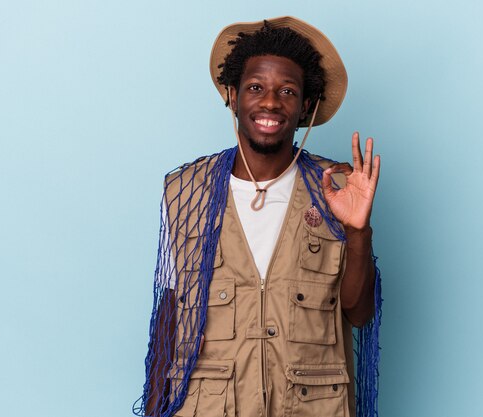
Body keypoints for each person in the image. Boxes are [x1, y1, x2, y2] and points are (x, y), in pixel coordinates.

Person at [134, 16, 382, 417]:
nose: (270, 102)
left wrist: (358, 231)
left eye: (286, 91)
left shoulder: (335, 187)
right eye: (255, 88)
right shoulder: (186, 191)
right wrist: (153, 409)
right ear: (232, 95)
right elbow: (171, 313)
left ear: (305, 105)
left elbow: (358, 312)